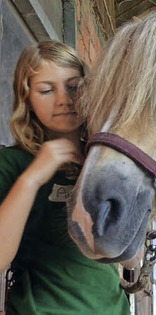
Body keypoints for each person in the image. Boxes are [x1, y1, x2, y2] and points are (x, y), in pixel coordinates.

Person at [0, 41, 130, 314]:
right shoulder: (11, 163)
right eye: (46, 90)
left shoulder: (105, 162)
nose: (63, 99)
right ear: (27, 99)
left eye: (73, 87)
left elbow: (131, 260)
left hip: (112, 308)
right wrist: (32, 178)